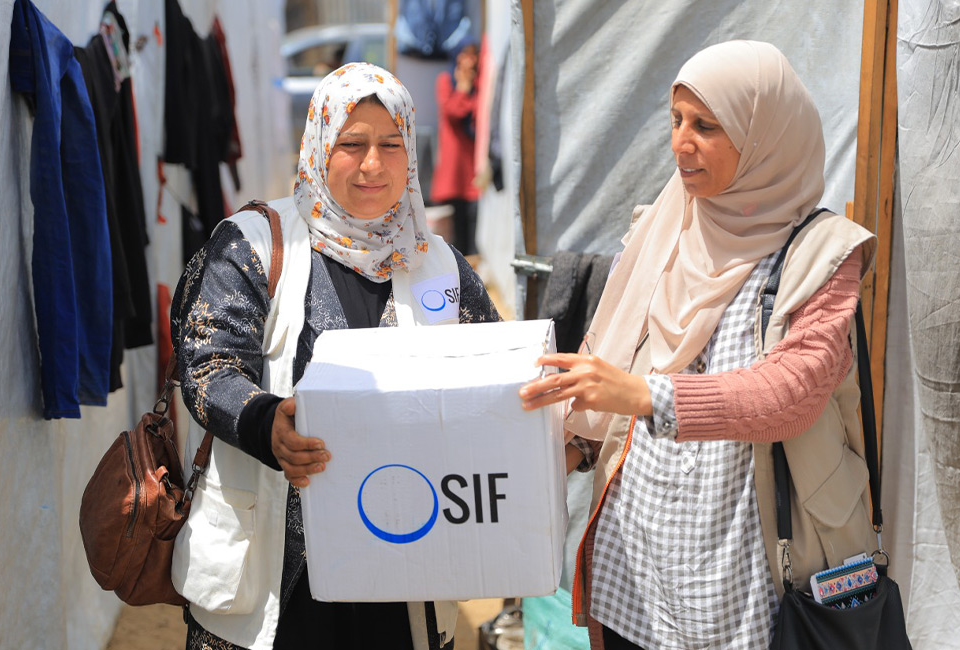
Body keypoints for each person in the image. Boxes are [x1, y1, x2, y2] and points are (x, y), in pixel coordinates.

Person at [518, 41, 878, 650]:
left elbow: (794, 392)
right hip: (635, 565)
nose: (680, 144)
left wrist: (648, 396)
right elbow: (622, 359)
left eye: (705, 126)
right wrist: (573, 446)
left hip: (745, 569)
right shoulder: (664, 227)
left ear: (764, 136)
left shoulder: (823, 254)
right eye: (676, 121)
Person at [170, 62, 500, 650]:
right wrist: (266, 422)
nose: (373, 164)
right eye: (352, 144)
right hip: (277, 578)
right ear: (320, 146)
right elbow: (207, 364)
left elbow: (492, 375)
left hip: (401, 570)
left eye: (391, 144)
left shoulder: (440, 264)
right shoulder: (254, 244)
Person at [429, 43, 480, 255]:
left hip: (473, 166)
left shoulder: (480, 83)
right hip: (454, 168)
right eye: (464, 55)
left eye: (473, 56)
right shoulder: (446, 80)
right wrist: (463, 87)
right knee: (453, 231)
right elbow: (453, 112)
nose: (469, 61)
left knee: (473, 227)